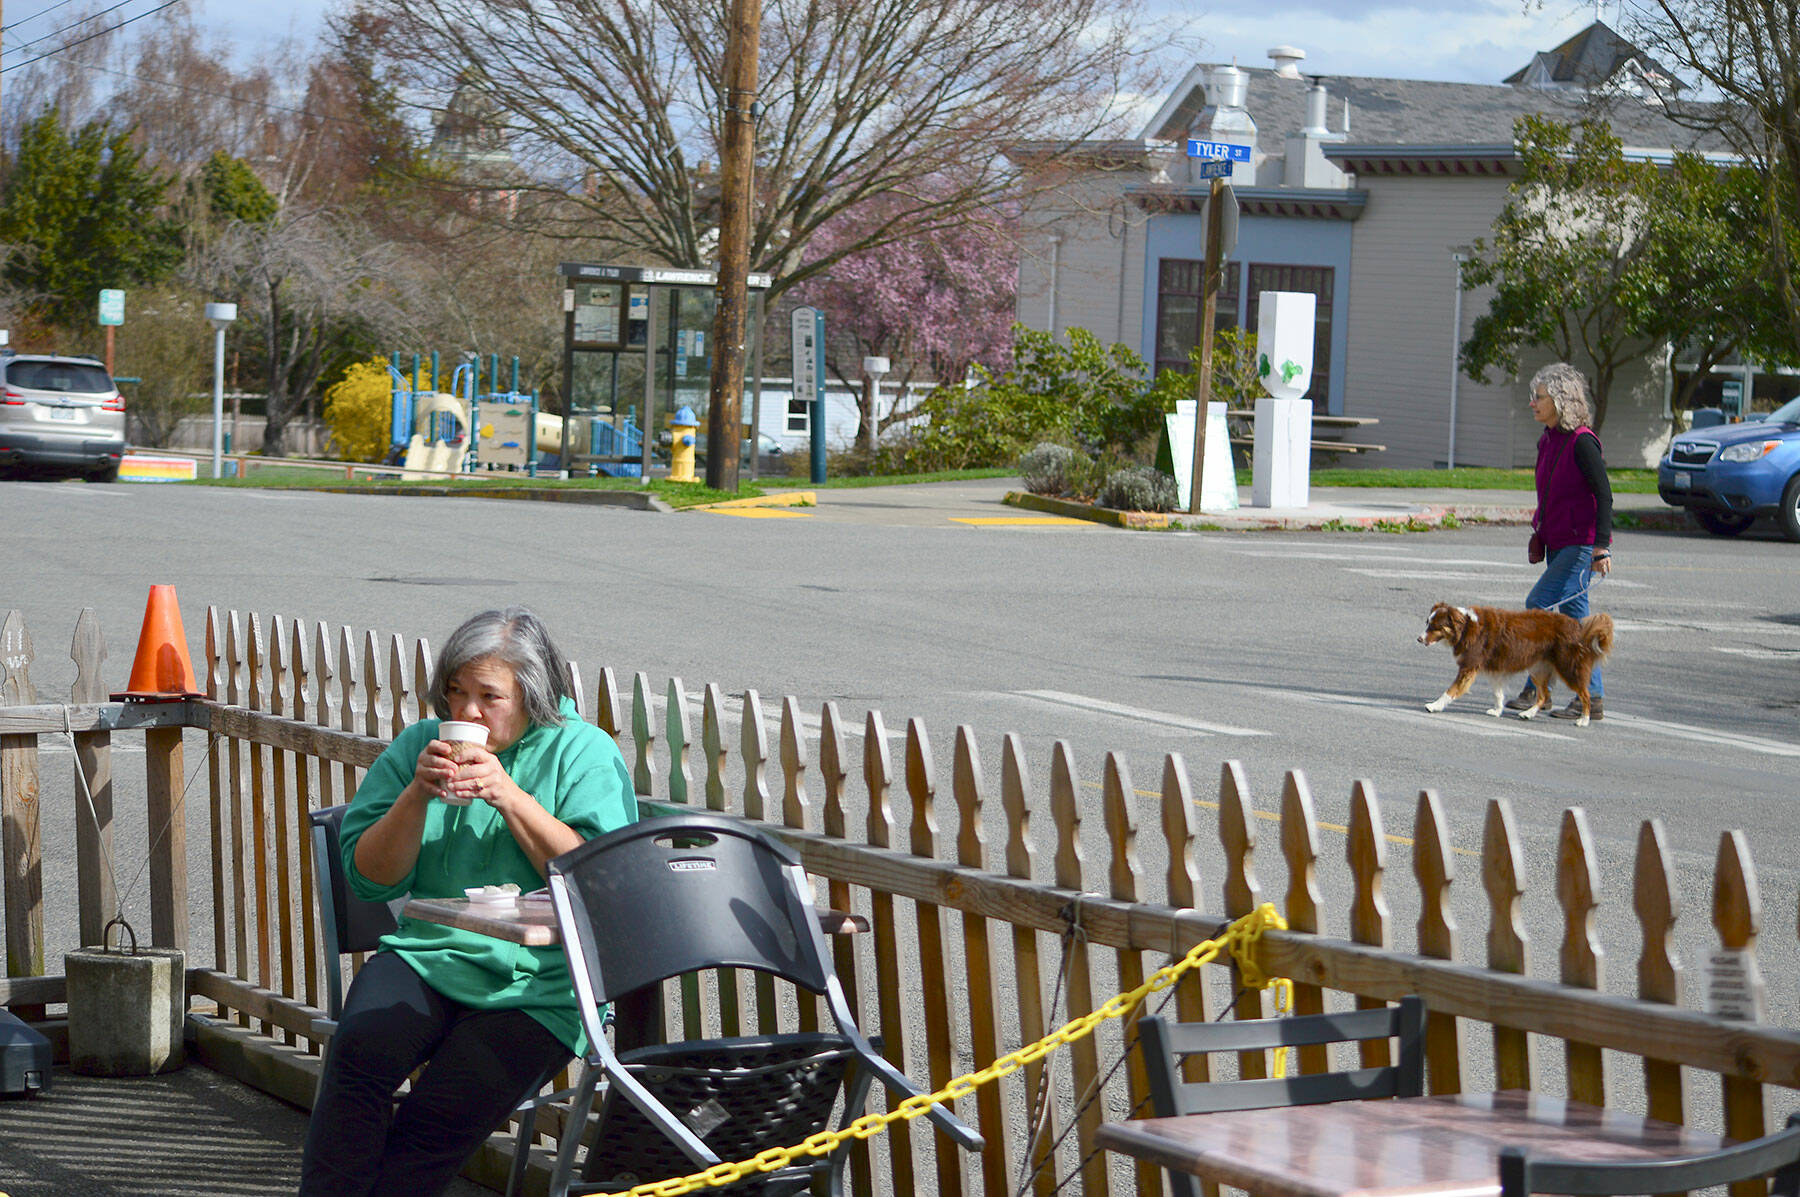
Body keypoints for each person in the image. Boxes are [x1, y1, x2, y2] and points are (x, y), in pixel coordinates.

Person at [300, 607, 636, 1196]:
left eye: (489, 696)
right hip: (428, 955)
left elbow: (600, 880)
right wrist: (414, 798)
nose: (467, 714)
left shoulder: (583, 752)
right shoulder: (418, 747)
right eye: (456, 692)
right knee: (357, 1059)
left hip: (541, 983)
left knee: (437, 1117)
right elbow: (368, 880)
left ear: (533, 695)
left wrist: (509, 794)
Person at [1508, 362, 1614, 720]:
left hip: (1580, 545)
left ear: (1560, 400)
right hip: (1557, 541)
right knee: (1575, 622)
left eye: (1539, 397)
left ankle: (1537, 689)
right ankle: (1591, 699)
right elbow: (1552, 494)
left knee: (1536, 603)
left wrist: (1602, 546)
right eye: (1533, 397)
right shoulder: (1549, 439)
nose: (1532, 404)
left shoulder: (1582, 441)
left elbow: (1604, 494)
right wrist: (1541, 531)